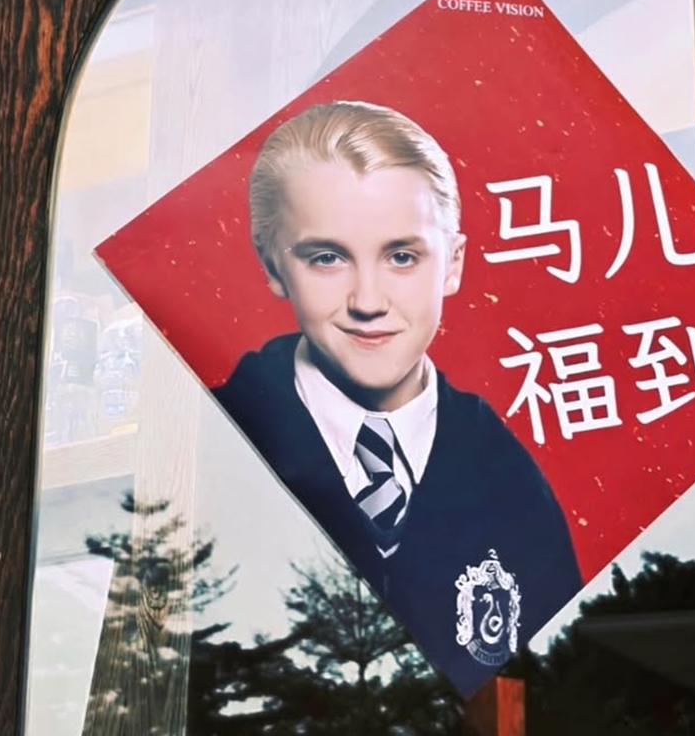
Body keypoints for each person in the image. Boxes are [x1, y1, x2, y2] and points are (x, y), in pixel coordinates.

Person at [211, 100, 583, 693]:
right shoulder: (218, 437)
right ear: (273, 266)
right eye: (327, 258)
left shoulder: (511, 481)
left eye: (402, 257)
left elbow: (552, 678)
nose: (368, 301)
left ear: (453, 264)